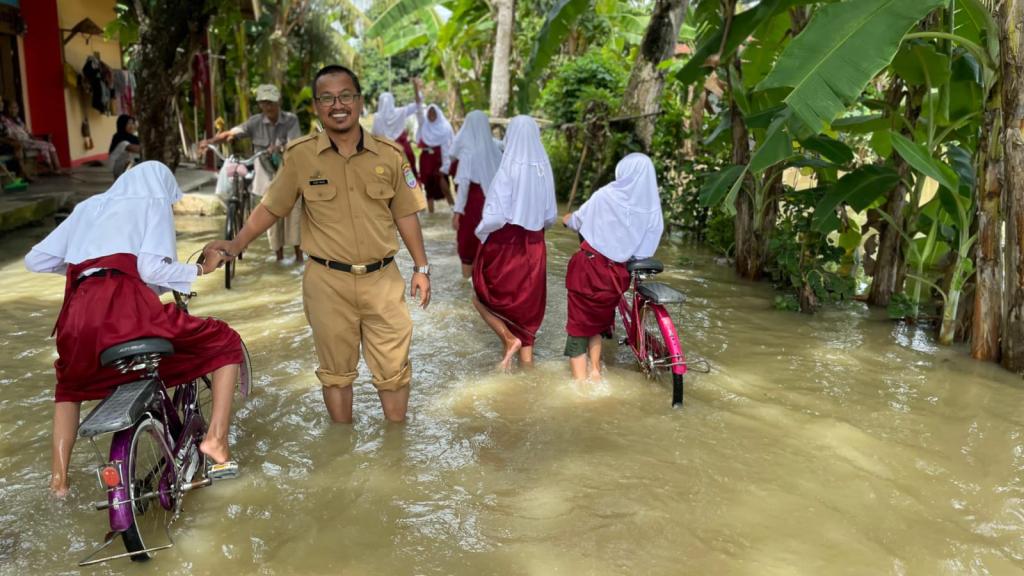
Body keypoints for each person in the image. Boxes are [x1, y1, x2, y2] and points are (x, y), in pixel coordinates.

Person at [204, 65, 431, 424]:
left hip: (383, 280)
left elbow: (406, 214)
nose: (337, 105)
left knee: (394, 371)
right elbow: (272, 207)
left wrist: (421, 267)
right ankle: (342, 446)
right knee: (335, 373)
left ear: (359, 101)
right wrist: (236, 243)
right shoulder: (301, 156)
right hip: (327, 283)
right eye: (327, 98)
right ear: (316, 106)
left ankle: (396, 444)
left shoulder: (389, 155)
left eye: (345, 96)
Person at [24, 161, 243, 497]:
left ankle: (59, 482)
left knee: (69, 386)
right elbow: (152, 269)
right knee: (225, 341)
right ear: (162, 189)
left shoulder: (88, 207)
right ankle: (216, 439)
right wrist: (201, 268)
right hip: (125, 309)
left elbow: (36, 260)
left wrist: (94, 265)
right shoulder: (152, 200)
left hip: (76, 312)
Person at [561, 153, 664, 382]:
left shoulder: (605, 195)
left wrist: (567, 219)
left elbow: (577, 220)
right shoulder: (651, 208)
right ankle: (596, 371)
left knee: (577, 329)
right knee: (598, 322)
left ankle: (580, 386)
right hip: (617, 276)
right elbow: (644, 249)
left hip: (588, 270)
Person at [472, 115, 557, 371]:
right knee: (527, 315)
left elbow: (495, 217)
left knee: (480, 298)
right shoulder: (544, 169)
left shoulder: (507, 169)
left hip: (506, 243)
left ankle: (508, 339)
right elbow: (550, 216)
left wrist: (481, 232)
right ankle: (527, 375)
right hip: (535, 244)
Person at [200, 84, 303, 263]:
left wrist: (280, 147)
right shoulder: (255, 122)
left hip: (288, 176)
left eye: (271, 102)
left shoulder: (290, 120)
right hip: (266, 180)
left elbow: (295, 144)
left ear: (278, 102)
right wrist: (210, 141)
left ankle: (299, 259)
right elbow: (232, 133)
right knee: (272, 223)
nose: (268, 106)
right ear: (260, 104)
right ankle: (279, 261)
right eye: (264, 103)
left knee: (294, 218)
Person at [451, 110, 501, 278]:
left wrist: (457, 212)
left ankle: (466, 283)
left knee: (467, 246)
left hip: (471, 204)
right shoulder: (496, 149)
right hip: (492, 204)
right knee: (486, 244)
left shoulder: (468, 153)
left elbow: (464, 184)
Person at [371, 80, 422, 176]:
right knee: (408, 177)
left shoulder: (377, 117)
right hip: (403, 151)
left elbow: (374, 136)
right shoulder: (400, 112)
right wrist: (416, 89)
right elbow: (417, 104)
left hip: (386, 154)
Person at [2, 99, 62, 175]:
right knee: (48, 146)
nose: (14, 110)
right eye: (11, 107)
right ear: (6, 109)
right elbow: (5, 135)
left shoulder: (18, 120)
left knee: (49, 145)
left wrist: (34, 138)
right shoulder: (3, 120)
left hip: (28, 141)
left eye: (16, 107)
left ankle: (55, 168)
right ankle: (55, 168)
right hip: (18, 143)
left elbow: (27, 132)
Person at [416, 104, 455, 213]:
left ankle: (454, 210)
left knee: (444, 185)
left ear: (438, 113)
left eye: (434, 112)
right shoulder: (424, 126)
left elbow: (449, 146)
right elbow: (419, 112)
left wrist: (446, 165)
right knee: (428, 187)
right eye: (429, 112)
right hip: (426, 160)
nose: (431, 115)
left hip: (440, 158)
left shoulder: (445, 127)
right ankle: (431, 214)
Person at [108, 114, 141, 178]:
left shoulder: (134, 138)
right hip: (117, 168)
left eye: (132, 123)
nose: (131, 126)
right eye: (128, 123)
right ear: (122, 124)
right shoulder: (118, 137)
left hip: (127, 167)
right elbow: (133, 148)